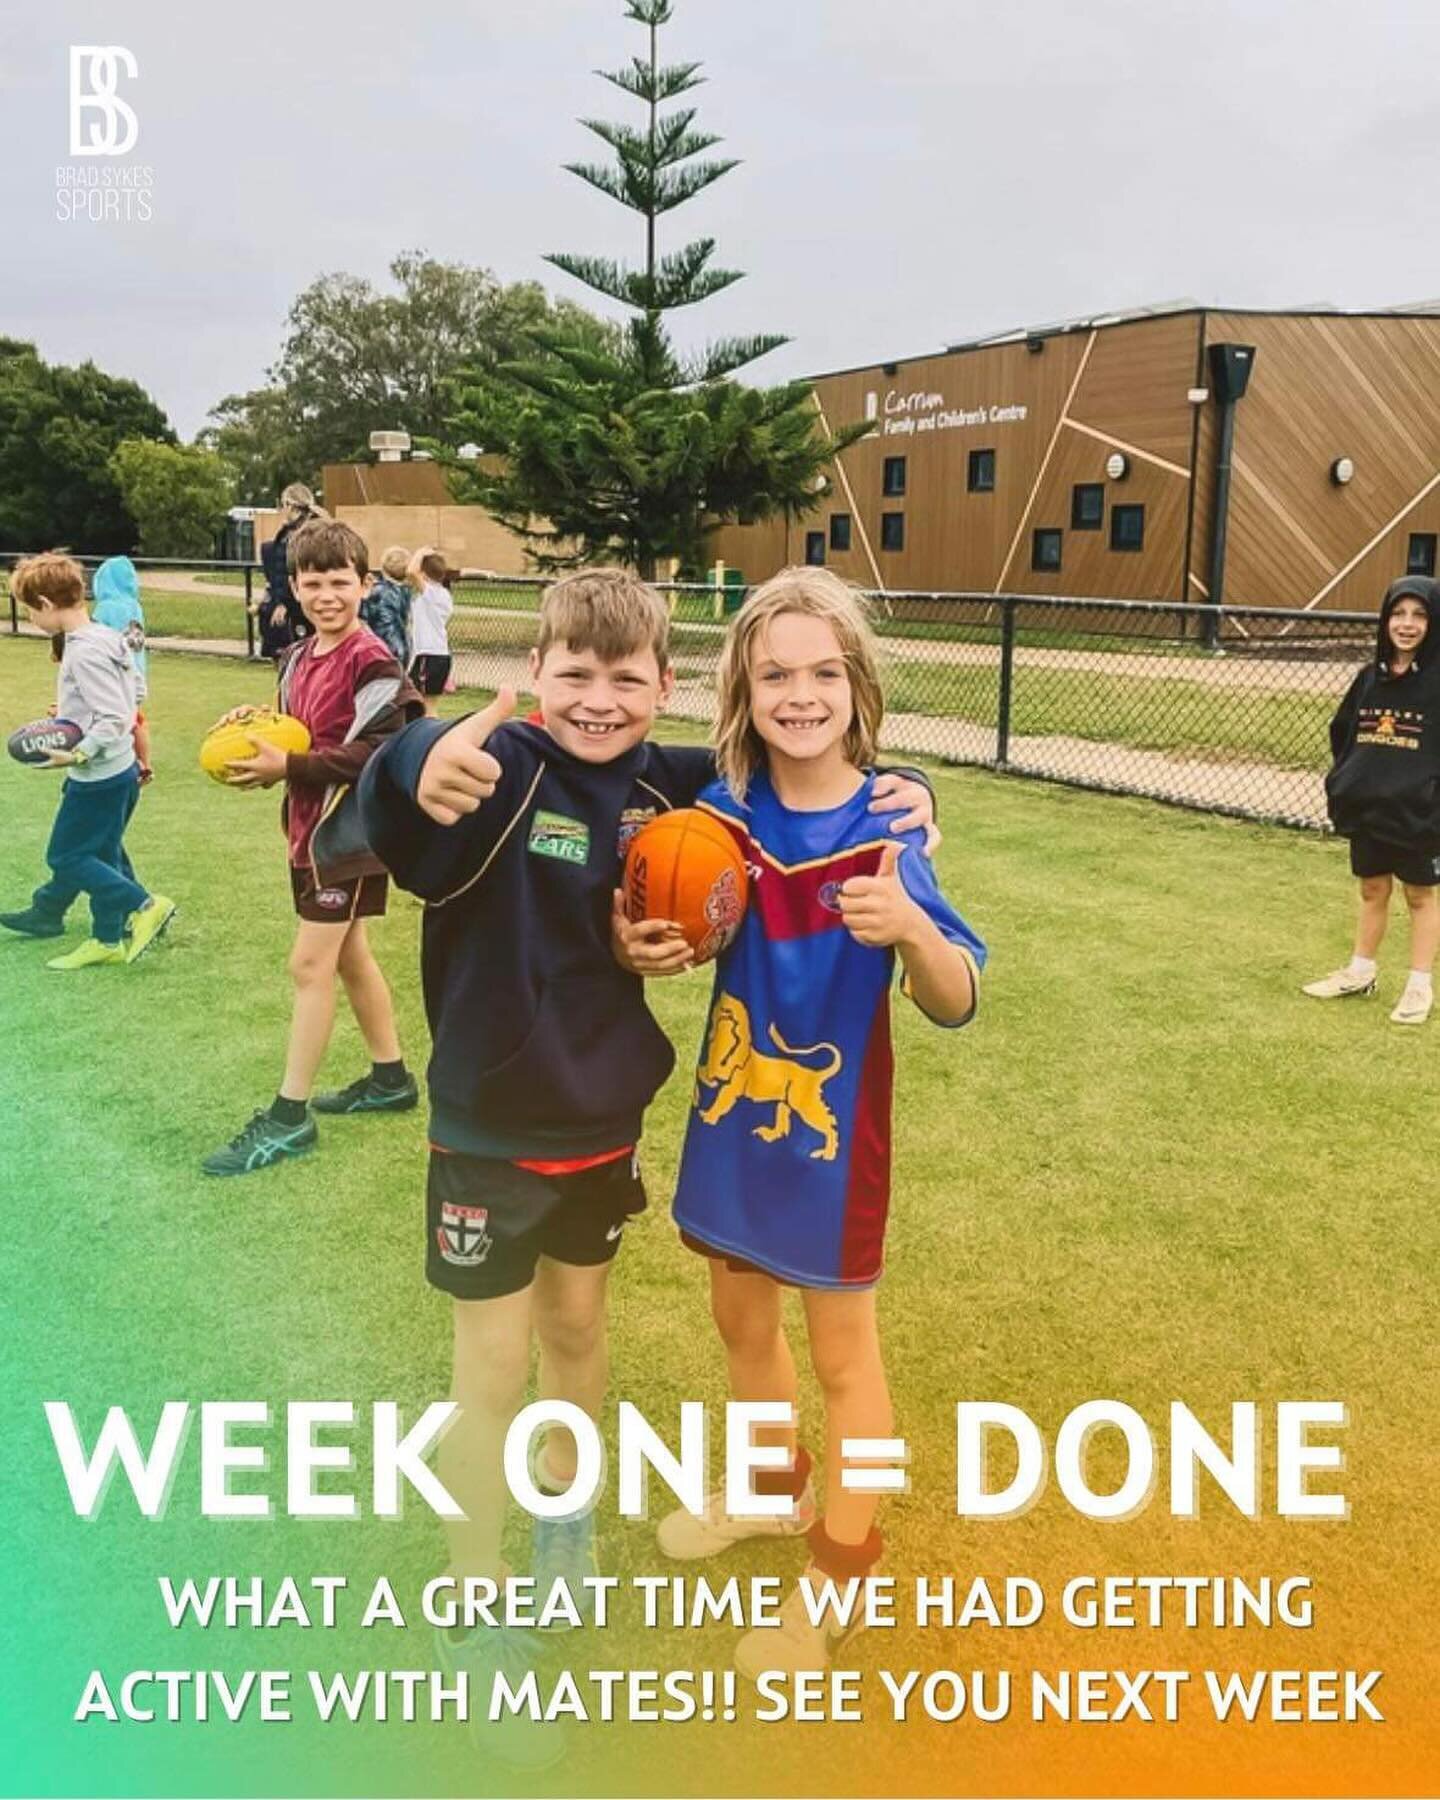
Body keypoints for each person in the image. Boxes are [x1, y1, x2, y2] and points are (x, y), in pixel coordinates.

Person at [357, 567, 936, 1769]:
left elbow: (790, 779)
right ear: (538, 675)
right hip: (486, 1135)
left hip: (603, 1131)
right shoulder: (506, 769)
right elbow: (399, 812)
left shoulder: (674, 787)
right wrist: (413, 762)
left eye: (629, 679)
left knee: (576, 1340)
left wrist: (911, 789)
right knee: (490, 1377)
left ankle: (562, 1522)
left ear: (666, 687)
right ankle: (475, 1599)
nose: (601, 700)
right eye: (575, 674)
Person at [616, 566, 985, 1679]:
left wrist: (913, 931)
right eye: (776, 672)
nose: (800, 692)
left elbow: (957, 998)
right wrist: (650, 941)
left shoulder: (887, 823)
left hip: (832, 1144)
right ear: (743, 689)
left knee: (842, 1355)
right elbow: (689, 921)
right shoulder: (720, 817)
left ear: (858, 685)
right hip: (733, 1117)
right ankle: (776, 1493)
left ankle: (841, 1567)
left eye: (824, 671)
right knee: (740, 1320)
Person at [201, 520, 423, 1177]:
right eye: (313, 582)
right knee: (348, 954)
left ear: (364, 583)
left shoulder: (373, 660)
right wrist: (249, 731)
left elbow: (391, 748)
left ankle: (288, 1118)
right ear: (294, 588)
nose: (327, 594)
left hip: (347, 837)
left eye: (339, 581)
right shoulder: (297, 657)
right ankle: (391, 1079)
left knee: (309, 965)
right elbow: (292, 730)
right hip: (307, 831)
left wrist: (291, 768)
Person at [0, 553, 174, 967]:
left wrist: (78, 751)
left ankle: (146, 905)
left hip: (99, 775)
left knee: (67, 857)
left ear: (45, 603)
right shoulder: (105, 636)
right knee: (105, 852)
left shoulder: (82, 651)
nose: (30, 618)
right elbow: (135, 692)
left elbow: (116, 715)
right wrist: (71, 717)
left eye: (29, 610)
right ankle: (106, 939)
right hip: (120, 769)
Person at [1305, 576, 1440, 1025]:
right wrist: (1352, 780)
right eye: (1398, 614)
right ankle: (1361, 972)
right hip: (1369, 811)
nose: (1407, 624)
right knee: (1372, 888)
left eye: (1419, 615)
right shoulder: (1369, 679)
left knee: (1420, 895)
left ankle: (1419, 986)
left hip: (1420, 815)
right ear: (1384, 621)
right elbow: (1342, 733)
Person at [91, 555, 152, 780]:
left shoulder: (105, 608)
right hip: (137, 672)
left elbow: (94, 639)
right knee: (136, 718)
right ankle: (144, 762)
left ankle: (132, 761)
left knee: (123, 719)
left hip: (114, 674)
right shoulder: (134, 605)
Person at [256, 483, 322, 661]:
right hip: (291, 605)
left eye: (283, 504)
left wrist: (285, 603)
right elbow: (279, 573)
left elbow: (297, 572)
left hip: (303, 608)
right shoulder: (286, 534)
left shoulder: (309, 535)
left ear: (291, 506)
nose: (281, 510)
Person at [406, 547, 454, 716]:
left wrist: (420, 552)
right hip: (439, 655)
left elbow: (411, 572)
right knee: (429, 705)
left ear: (424, 574)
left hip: (429, 654)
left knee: (423, 705)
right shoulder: (443, 594)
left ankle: (426, 738)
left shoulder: (431, 593)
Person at [361, 546, 414, 665]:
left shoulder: (376, 591)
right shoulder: (406, 592)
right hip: (402, 647)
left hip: (382, 646)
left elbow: (362, 616)